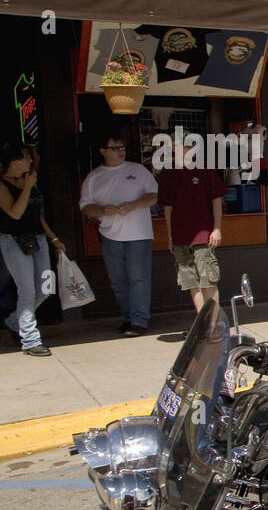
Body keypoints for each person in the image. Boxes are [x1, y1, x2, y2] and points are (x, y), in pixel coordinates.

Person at [79, 133, 157, 336]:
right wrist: (102, 210)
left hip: (139, 234)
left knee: (138, 278)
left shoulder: (137, 170)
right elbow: (86, 207)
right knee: (118, 281)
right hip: (110, 235)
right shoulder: (94, 177)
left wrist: (135, 205)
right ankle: (129, 317)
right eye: (115, 148)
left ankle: (139, 320)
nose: (120, 151)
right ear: (103, 151)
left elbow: (155, 194)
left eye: (122, 147)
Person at [0, 143, 64, 355]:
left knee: (46, 287)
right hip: (14, 241)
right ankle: (30, 340)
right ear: (12, 161)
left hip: (38, 239)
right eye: (25, 157)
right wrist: (27, 187)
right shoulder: (3, 185)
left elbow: (38, 215)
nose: (29, 161)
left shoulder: (30, 178)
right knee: (26, 290)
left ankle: (13, 320)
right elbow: (15, 213)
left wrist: (53, 237)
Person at [157, 159, 224, 312]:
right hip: (180, 236)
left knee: (208, 280)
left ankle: (214, 323)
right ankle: (203, 322)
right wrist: (170, 236)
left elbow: (216, 200)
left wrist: (217, 228)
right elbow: (168, 208)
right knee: (190, 282)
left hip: (203, 235)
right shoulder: (167, 173)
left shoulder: (204, 168)